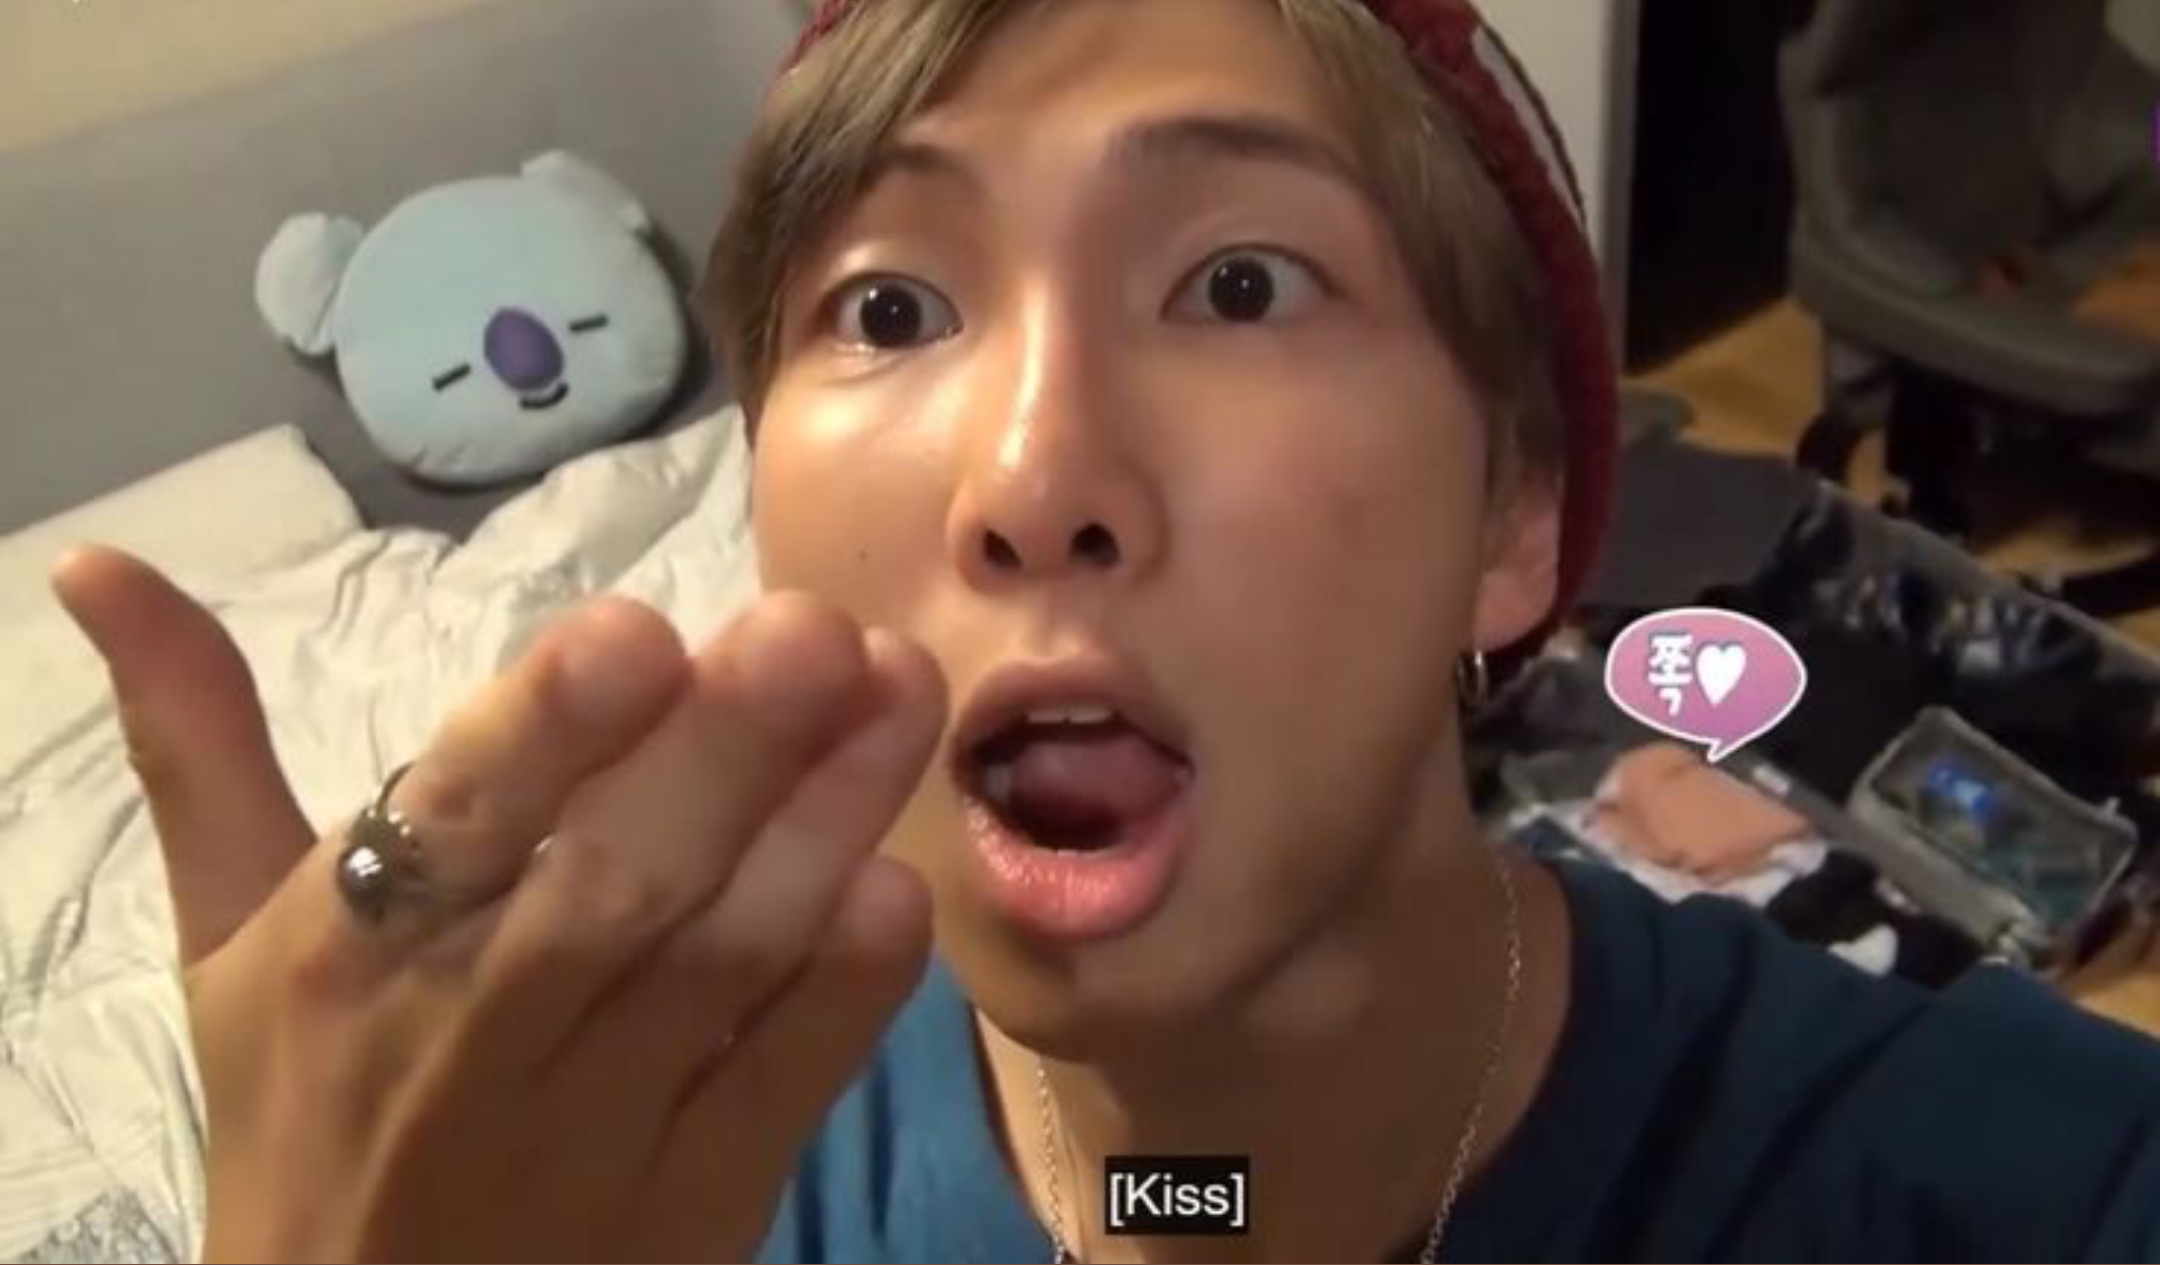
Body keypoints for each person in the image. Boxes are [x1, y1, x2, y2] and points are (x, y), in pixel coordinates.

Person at [46, 0, 2160, 1260]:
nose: (1031, 467)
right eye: (892, 307)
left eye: (1239, 284)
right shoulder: (611, 1178)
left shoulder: (2028, 1192)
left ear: (1517, 516)